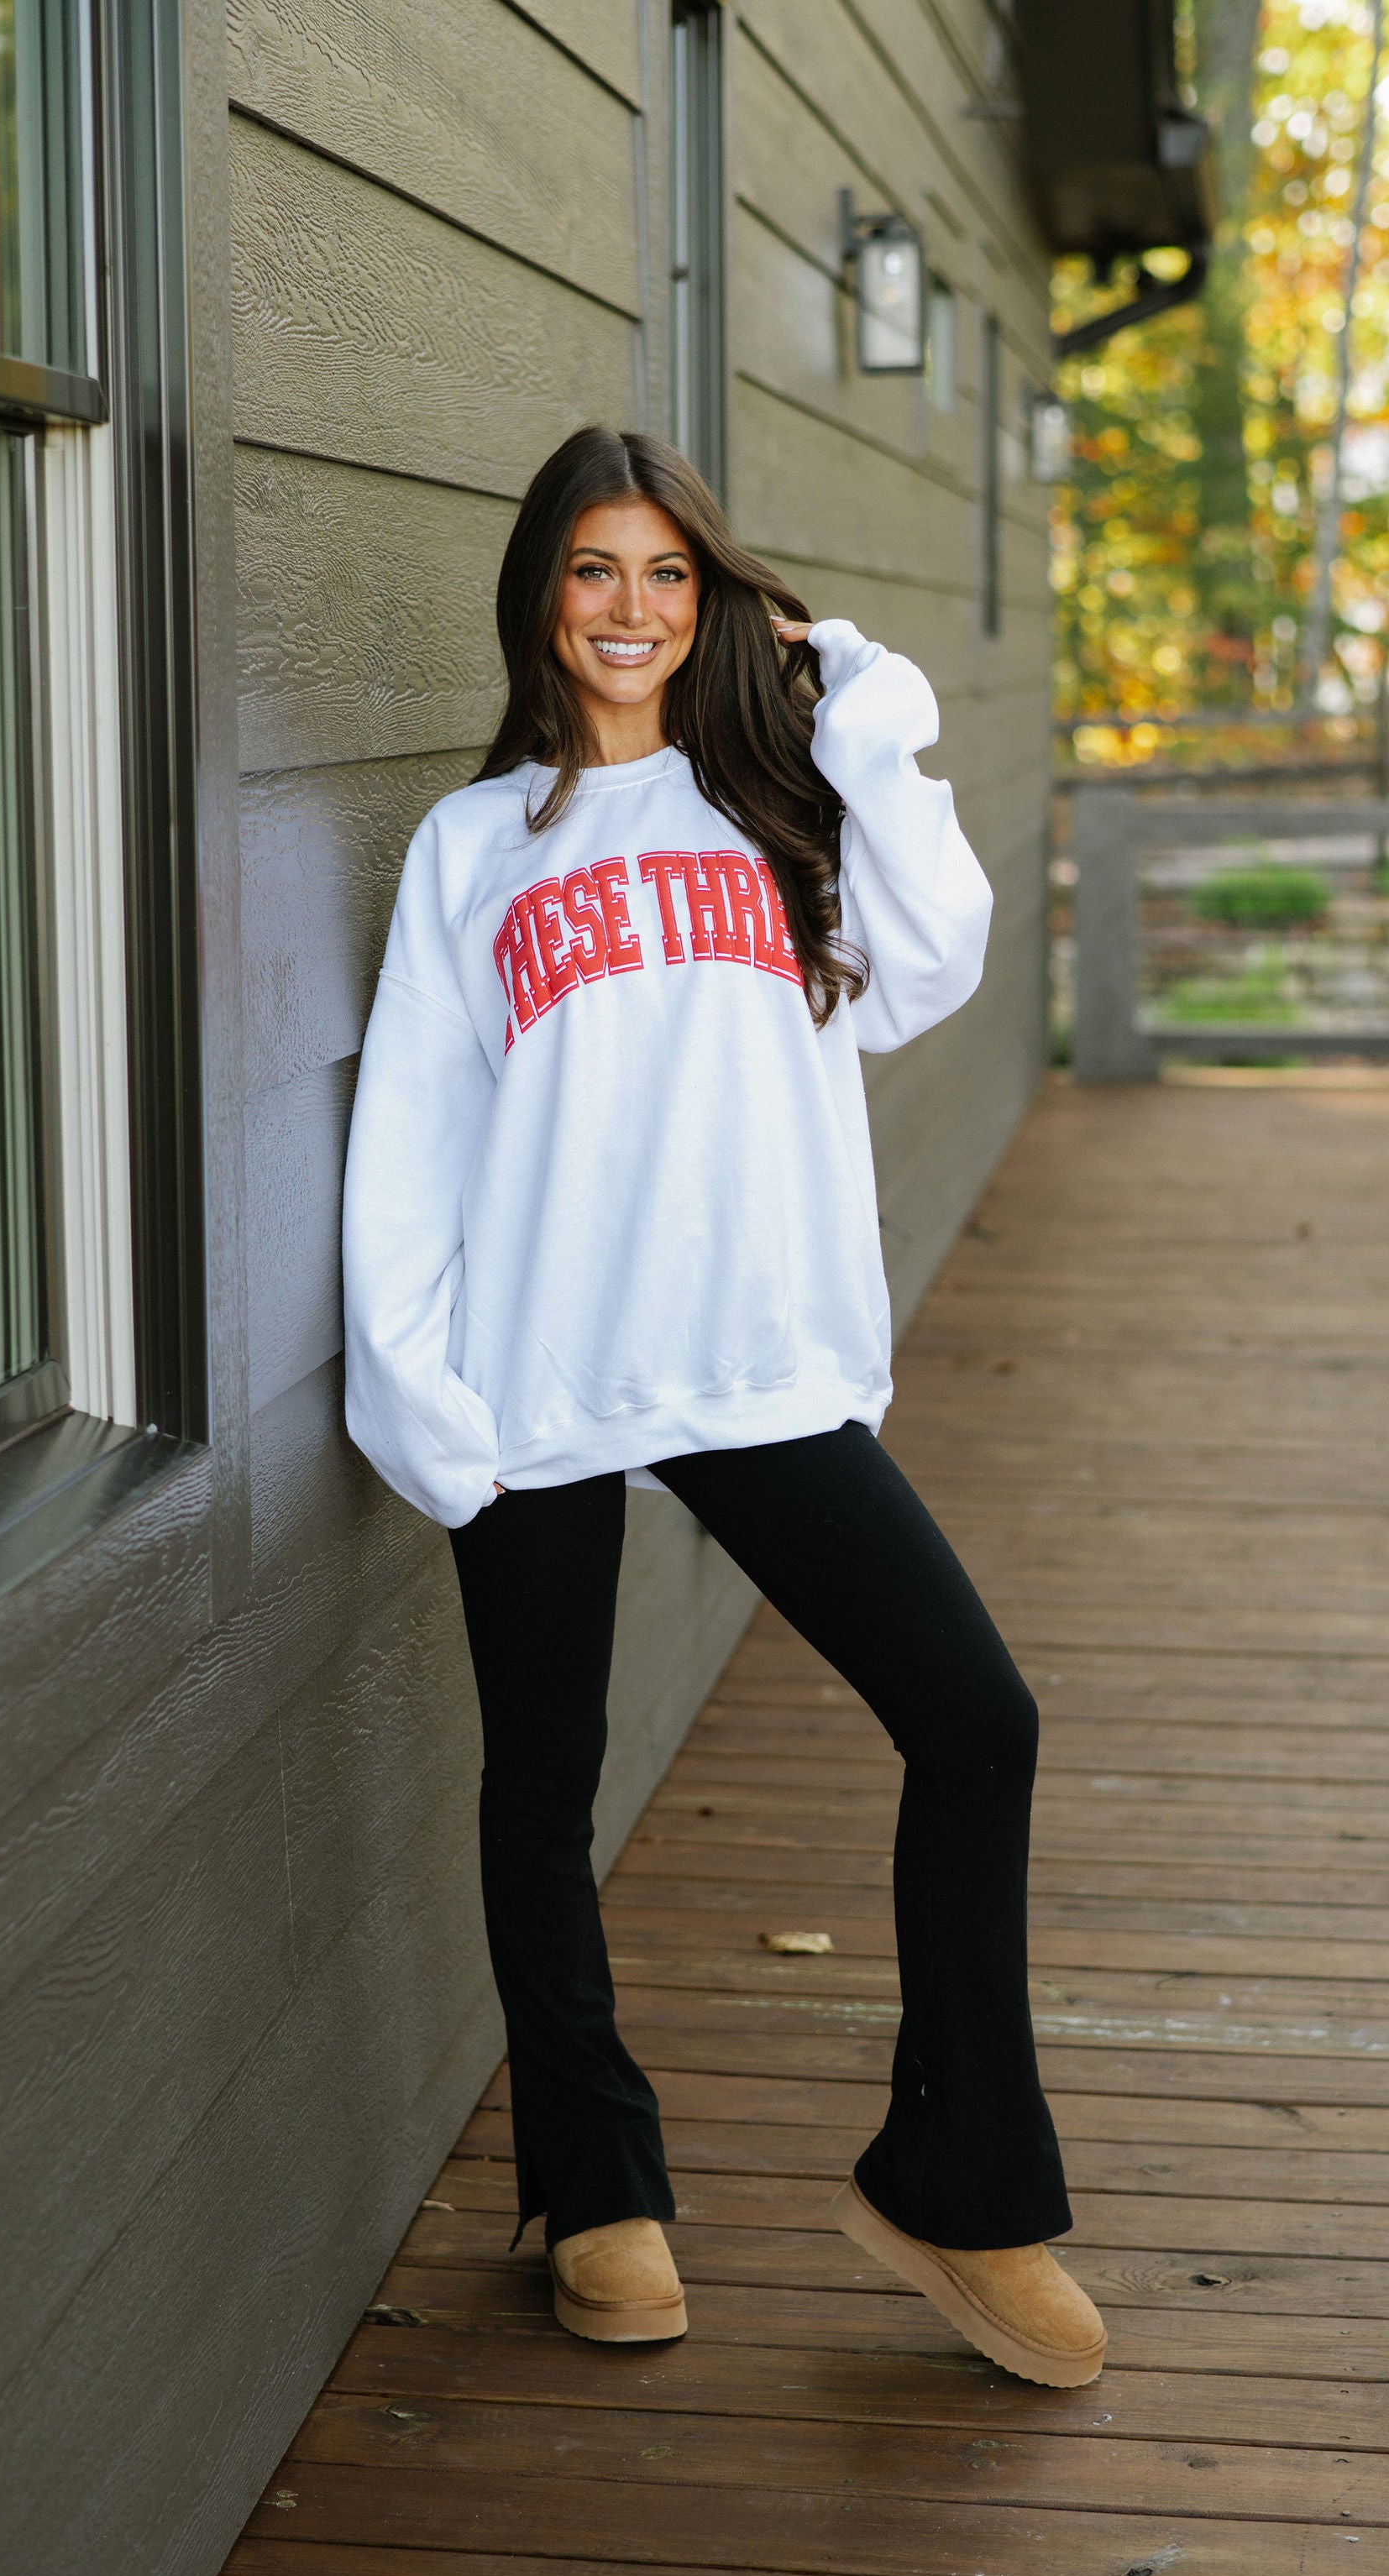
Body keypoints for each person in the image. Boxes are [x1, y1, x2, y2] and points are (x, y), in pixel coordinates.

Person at [341, 426, 1105, 2387]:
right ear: (538, 594)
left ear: (714, 599)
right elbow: (411, 1140)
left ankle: (959, 2189)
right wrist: (421, 1398)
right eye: (592, 571)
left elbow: (935, 958)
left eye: (669, 573)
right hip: (536, 1373)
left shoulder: (779, 807)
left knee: (976, 1721)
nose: (628, 610)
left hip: (754, 1359)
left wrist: (855, 698)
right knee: (541, 1782)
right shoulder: (471, 847)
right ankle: (596, 2194)